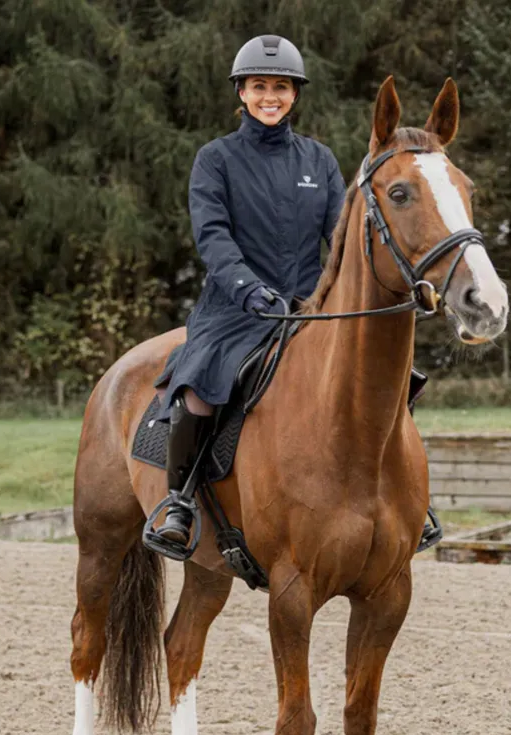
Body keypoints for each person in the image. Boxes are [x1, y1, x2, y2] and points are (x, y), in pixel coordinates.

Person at [151, 35, 347, 545]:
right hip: (235, 308)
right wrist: (248, 289)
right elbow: (213, 236)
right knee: (199, 384)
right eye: (259, 86)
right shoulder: (215, 159)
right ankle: (180, 501)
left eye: (280, 87)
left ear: (295, 94)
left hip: (308, 307)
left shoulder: (320, 161)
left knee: (384, 374)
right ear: (241, 92)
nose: (270, 97)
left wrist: (347, 292)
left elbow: (341, 238)